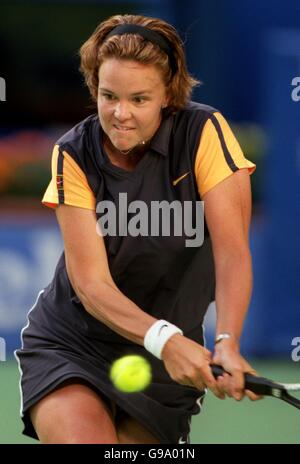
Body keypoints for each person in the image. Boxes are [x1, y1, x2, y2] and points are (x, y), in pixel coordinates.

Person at [15, 14, 260, 445]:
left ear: (168, 95)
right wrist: (164, 338)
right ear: (95, 88)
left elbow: (232, 253)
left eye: (139, 99)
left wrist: (227, 341)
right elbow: (91, 286)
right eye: (108, 96)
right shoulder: (72, 153)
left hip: (165, 369)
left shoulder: (204, 134)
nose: (120, 114)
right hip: (75, 344)